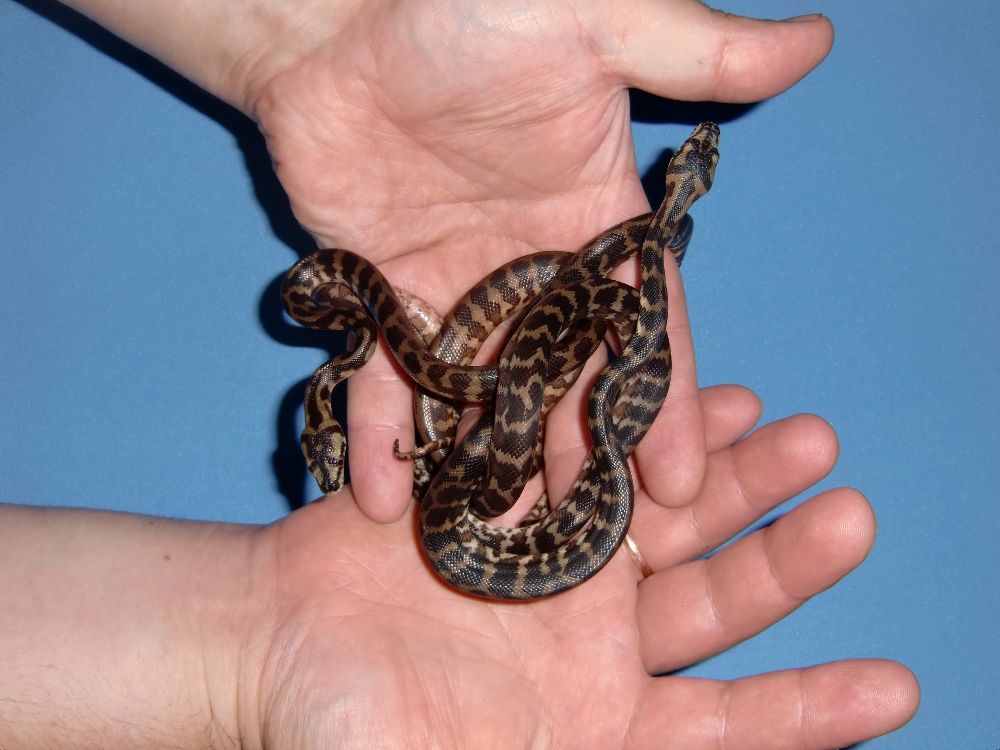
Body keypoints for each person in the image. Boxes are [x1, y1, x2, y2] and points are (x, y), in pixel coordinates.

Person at [0, 0, 919, 747]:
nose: (689, 157)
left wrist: (258, 652)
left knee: (591, 399)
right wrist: (332, 31)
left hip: (503, 461)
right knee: (580, 393)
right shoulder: (596, 309)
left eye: (688, 167)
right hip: (501, 427)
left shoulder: (608, 315)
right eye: (691, 164)